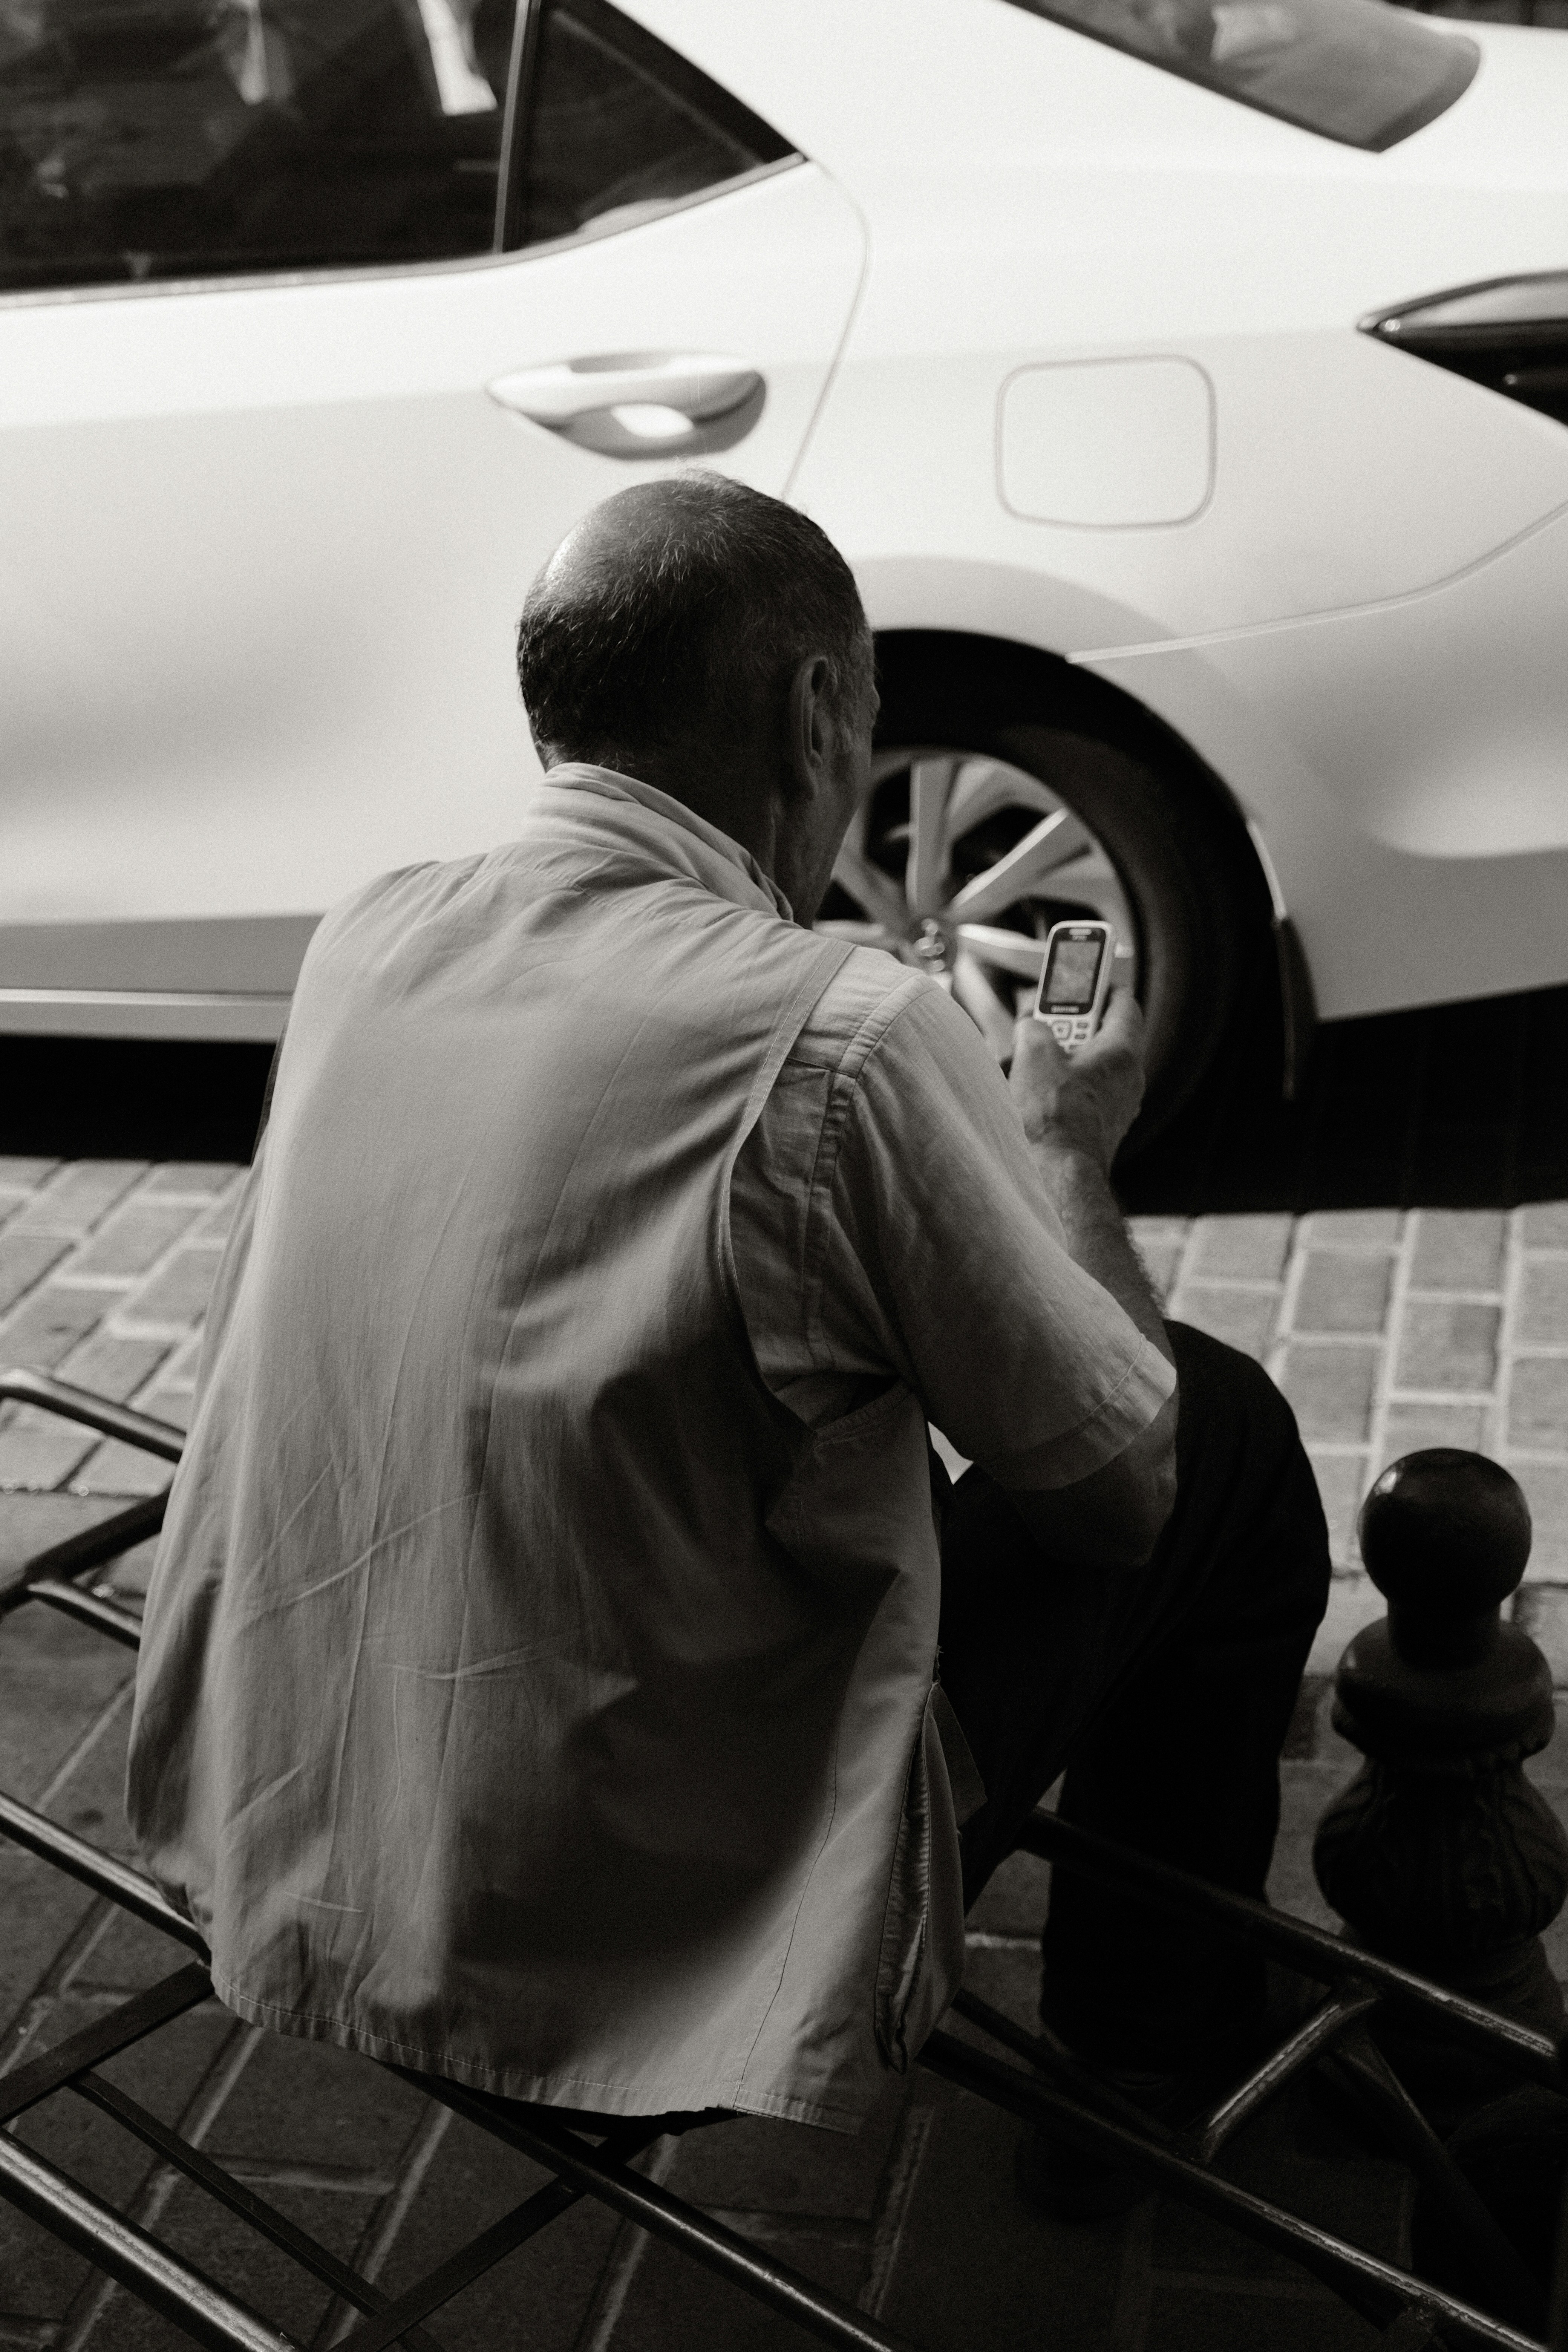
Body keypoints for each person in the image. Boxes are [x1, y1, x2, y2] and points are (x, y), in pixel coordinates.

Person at [126, 473, 1329, 2208]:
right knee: (1208, 1435)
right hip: (632, 1936)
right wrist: (1061, 1149)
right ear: (819, 711)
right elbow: (1111, 1490)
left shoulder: (368, 935)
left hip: (309, 1838)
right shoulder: (843, 1036)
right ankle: (1140, 2060)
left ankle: (1143, 2022)